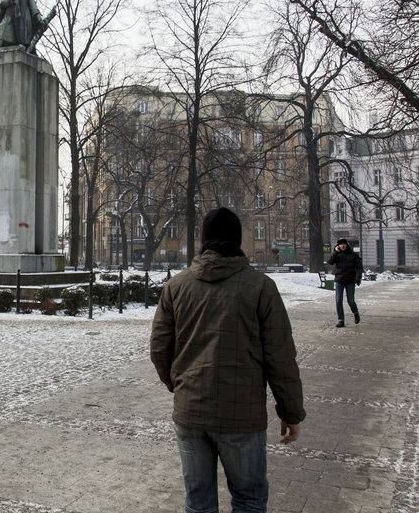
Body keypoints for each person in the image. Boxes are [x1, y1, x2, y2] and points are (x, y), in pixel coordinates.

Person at [150, 207, 306, 513]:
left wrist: (179, 385)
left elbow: (159, 348)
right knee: (248, 500)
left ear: (204, 241)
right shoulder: (261, 287)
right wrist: (291, 411)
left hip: (191, 410)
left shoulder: (177, 286)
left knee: (198, 503)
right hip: (241, 415)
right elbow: (281, 355)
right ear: (238, 241)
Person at [326, 238, 362, 328]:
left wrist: (358, 277)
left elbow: (359, 267)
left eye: (344, 244)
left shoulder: (353, 255)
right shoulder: (337, 254)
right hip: (339, 280)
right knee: (338, 301)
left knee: (351, 301)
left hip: (350, 281)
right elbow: (330, 262)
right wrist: (335, 252)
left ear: (347, 245)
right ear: (338, 246)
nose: (342, 246)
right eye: (340, 244)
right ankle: (341, 320)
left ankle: (355, 313)